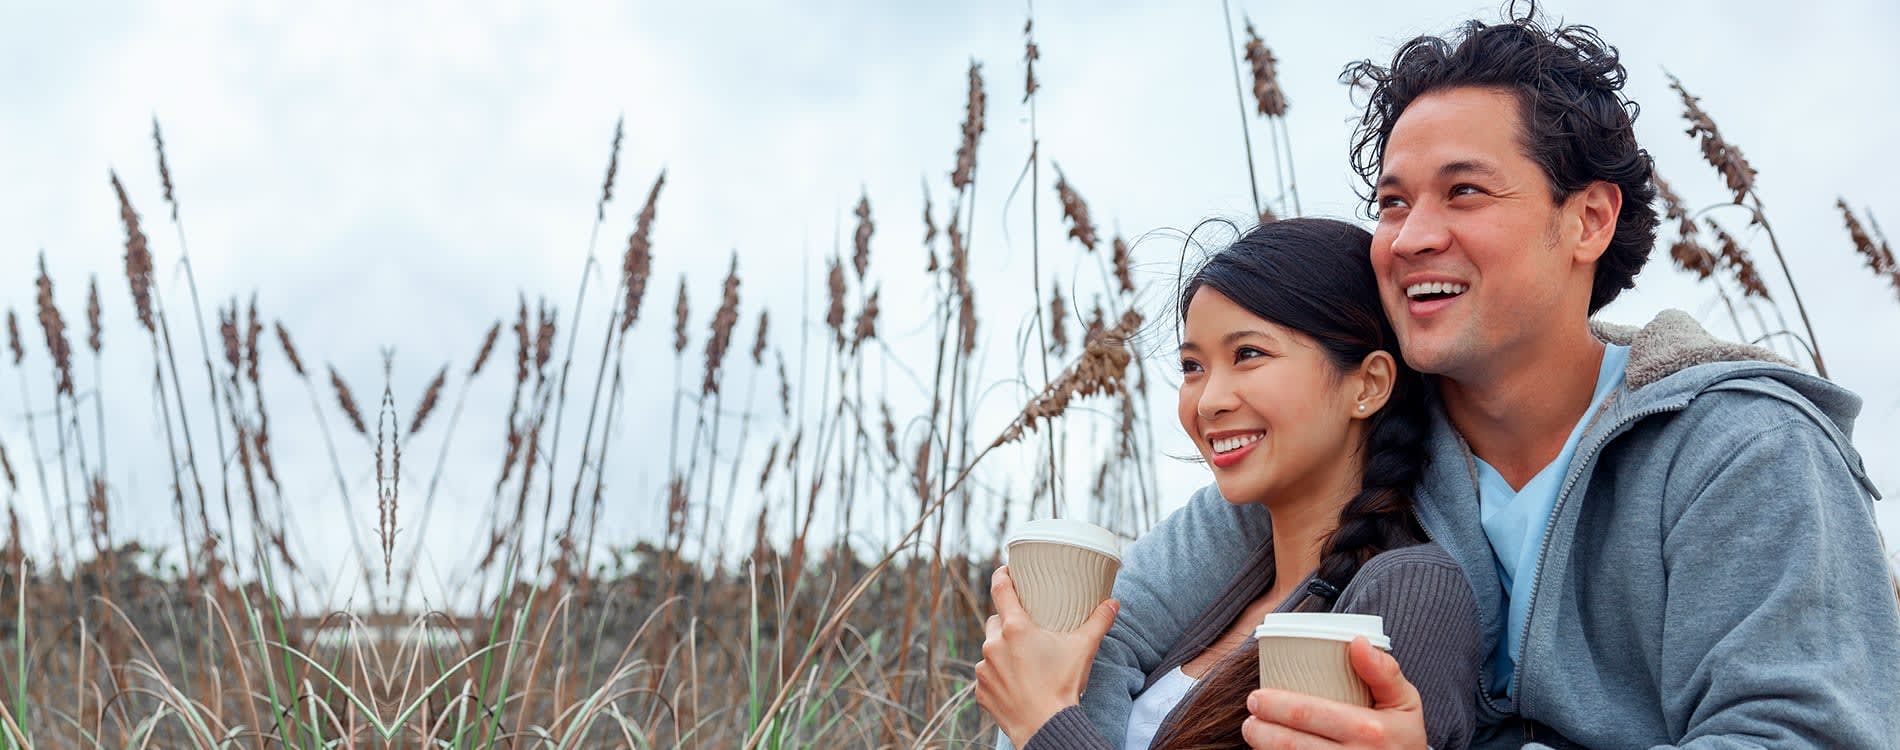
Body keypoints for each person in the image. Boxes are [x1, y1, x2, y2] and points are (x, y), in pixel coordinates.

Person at [1076, 7, 1900, 749]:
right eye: (1393, 203)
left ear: (1588, 220)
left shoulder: (1742, 450)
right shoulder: (1358, 432)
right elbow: (1105, 633)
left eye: (1463, 192)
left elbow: (1802, 736)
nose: (1410, 238)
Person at [975, 217, 1484, 749]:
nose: (1208, 400)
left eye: (1248, 354)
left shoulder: (1414, 590)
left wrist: (1043, 720)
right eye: (1193, 366)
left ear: (1369, 384)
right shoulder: (1218, 585)